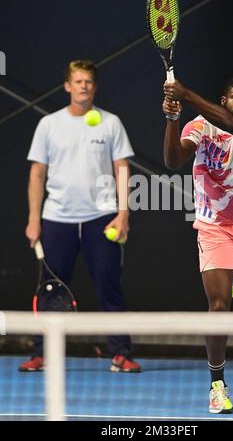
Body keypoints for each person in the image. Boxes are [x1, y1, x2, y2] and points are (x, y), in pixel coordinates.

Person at [162, 76, 233, 413]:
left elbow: (228, 124)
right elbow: (172, 161)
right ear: (224, 98)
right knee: (218, 306)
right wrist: (172, 119)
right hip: (214, 226)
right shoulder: (199, 126)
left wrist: (186, 94)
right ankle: (217, 385)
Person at [19, 59, 141, 373]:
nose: (83, 86)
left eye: (88, 81)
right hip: (57, 218)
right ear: (67, 86)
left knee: (109, 286)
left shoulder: (110, 123)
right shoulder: (49, 125)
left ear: (94, 87)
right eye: (78, 81)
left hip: (101, 219)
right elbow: (37, 174)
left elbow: (122, 169)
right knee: (49, 291)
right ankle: (41, 353)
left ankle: (120, 353)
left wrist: (123, 214)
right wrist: (34, 218)